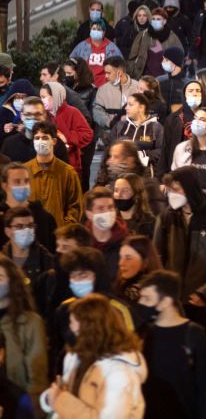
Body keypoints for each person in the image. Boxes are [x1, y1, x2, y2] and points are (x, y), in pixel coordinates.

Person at [40, 293, 147, 418]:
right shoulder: (76, 356)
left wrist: (59, 399)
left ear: (89, 328)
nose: (71, 328)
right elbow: (67, 392)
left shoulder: (119, 372)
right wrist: (50, 398)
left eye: (73, 322)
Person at [153, 166, 206, 324]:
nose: (172, 195)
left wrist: (205, 293)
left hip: (203, 302)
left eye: (176, 190)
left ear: (190, 189)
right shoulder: (165, 218)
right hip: (172, 301)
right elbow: (156, 257)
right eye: (169, 190)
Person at [136, 270, 206, 419]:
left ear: (166, 301)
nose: (141, 304)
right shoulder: (144, 334)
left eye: (147, 299)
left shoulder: (194, 335)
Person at [0, 255, 47, 404]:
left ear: (12, 282)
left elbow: (37, 376)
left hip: (16, 404)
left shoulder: (30, 322)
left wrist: (31, 409)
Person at [26, 122, 83, 226]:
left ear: (54, 141)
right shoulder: (24, 171)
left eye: (44, 138)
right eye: (37, 138)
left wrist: (64, 229)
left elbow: (75, 206)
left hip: (58, 234)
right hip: (31, 232)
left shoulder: (68, 172)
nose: (40, 141)